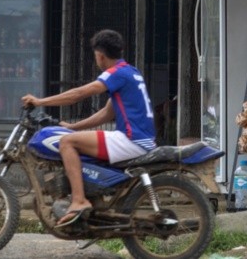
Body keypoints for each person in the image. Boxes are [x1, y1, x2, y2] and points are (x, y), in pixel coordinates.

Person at [21, 30, 156, 227]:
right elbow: (106, 113)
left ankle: (79, 201)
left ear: (100, 55)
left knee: (66, 142)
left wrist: (40, 101)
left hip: (131, 139)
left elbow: (79, 93)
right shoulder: (131, 72)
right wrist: (73, 127)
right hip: (139, 139)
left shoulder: (115, 73)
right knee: (71, 137)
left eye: (95, 55)